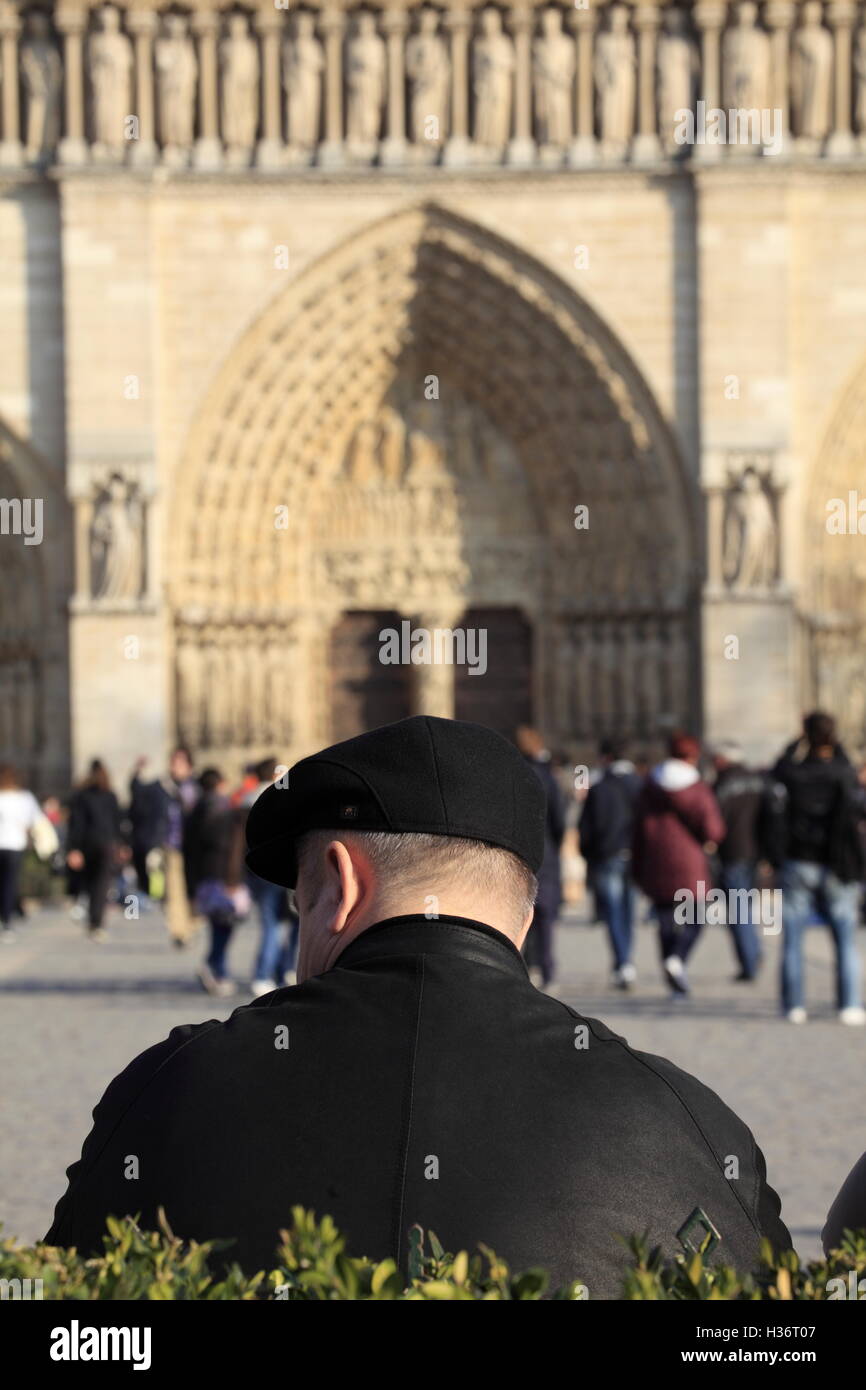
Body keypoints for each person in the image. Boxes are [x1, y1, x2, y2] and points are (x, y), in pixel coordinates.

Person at [46, 715, 791, 1298]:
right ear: (525, 917)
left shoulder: (167, 1092)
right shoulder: (689, 1122)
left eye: (300, 900)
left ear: (338, 885)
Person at [771, 712, 865, 1025]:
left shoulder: (794, 771)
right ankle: (849, 1004)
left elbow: (778, 768)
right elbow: (852, 787)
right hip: (837, 862)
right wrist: (834, 746)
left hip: (800, 859)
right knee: (844, 937)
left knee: (794, 938)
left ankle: (794, 1005)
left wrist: (798, 742)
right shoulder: (842, 771)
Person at [632, 732, 725, 997]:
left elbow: (636, 827)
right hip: (689, 862)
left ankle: (671, 970)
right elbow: (713, 830)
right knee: (696, 917)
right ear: (693, 757)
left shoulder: (649, 786)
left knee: (664, 918)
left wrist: (638, 863)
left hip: (656, 859)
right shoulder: (697, 788)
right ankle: (678, 958)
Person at [578, 738, 642, 989]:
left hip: (607, 855)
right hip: (635, 855)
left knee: (614, 911)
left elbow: (586, 827)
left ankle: (623, 962)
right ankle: (627, 961)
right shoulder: (641, 785)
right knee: (628, 911)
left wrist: (589, 855)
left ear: (606, 758)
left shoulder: (600, 787)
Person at [183, 768, 247, 997]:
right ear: (220, 783)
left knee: (219, 924)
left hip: (203, 876)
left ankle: (215, 967)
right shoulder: (224, 809)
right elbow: (228, 848)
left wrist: (190, 886)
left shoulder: (194, 810)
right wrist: (233, 878)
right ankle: (217, 969)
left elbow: (187, 850)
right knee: (225, 924)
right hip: (223, 875)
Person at [242, 757, 298, 997]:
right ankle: (270, 973)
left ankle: (275, 971)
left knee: (271, 924)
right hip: (281, 872)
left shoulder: (244, 800)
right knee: (287, 922)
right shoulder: (281, 799)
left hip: (257, 872)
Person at [711, 741, 766, 983]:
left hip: (732, 852)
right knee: (746, 907)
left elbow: (714, 822)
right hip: (755, 852)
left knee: (738, 911)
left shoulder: (721, 785)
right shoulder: (758, 781)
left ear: (722, 760)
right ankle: (754, 952)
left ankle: (749, 961)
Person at [515, 725, 565, 991]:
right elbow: (559, 818)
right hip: (544, 853)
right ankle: (547, 969)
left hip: (517, 851)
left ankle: (522, 967)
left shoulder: (509, 776)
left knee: (519, 910)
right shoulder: (548, 777)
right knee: (544, 914)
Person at [66, 760, 124, 940]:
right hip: (105, 844)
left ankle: (94, 919)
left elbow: (76, 825)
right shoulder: (109, 795)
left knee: (93, 883)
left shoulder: (82, 796)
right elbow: (118, 823)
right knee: (100, 884)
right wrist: (122, 844)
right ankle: (96, 922)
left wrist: (74, 848)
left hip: (89, 844)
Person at [0, 765, 44, 942]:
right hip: (15, 845)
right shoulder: (25, 798)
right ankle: (7, 922)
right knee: (9, 882)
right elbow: (34, 821)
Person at [163, 746, 200, 947]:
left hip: (195, 846)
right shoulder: (165, 788)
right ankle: (179, 931)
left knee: (194, 888)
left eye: (178, 762)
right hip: (173, 845)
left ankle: (194, 921)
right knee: (174, 888)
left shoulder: (196, 788)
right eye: (172, 762)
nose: (174, 766)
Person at [128, 756, 169, 909]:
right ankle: (153, 895)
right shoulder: (157, 791)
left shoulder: (154, 791)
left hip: (150, 837)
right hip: (146, 837)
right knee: (150, 868)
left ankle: (155, 895)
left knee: (153, 868)